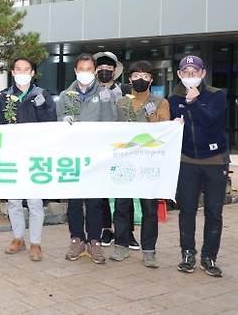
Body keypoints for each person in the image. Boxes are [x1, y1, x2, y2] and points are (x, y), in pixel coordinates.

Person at [169, 55, 229, 277]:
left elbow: (209, 120)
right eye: (186, 72)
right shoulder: (174, 98)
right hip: (187, 161)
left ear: (203, 73)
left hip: (215, 160)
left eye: (195, 72)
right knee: (187, 209)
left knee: (214, 211)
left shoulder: (216, 95)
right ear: (179, 75)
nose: (190, 76)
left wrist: (193, 103)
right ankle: (187, 254)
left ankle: (209, 256)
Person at [56, 53, 116, 264]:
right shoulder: (65, 95)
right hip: (72, 156)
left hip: (95, 156)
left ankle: (94, 241)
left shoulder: (105, 95)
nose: (85, 73)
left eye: (89, 69)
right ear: (75, 71)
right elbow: (57, 122)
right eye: (81, 69)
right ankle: (76, 239)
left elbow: (111, 125)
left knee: (95, 201)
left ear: (95, 71)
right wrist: (63, 120)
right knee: (73, 201)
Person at [0, 57, 56, 261]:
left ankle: (36, 243)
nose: (22, 72)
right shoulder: (4, 97)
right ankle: (18, 238)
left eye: (26, 69)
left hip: (35, 156)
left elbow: (51, 125)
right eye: (18, 69)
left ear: (32, 73)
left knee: (35, 201)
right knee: (14, 200)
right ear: (12, 72)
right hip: (12, 157)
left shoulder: (42, 95)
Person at [110, 61, 170, 268]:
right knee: (121, 206)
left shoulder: (160, 102)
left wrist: (152, 117)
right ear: (129, 79)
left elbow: (164, 132)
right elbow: (111, 131)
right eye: (136, 76)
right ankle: (121, 245)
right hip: (125, 162)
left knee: (149, 208)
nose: (140, 80)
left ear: (151, 79)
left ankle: (149, 251)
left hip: (148, 163)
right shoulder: (121, 103)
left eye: (145, 76)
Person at [93, 51, 137, 249]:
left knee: (123, 190)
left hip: (122, 148)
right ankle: (105, 230)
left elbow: (136, 114)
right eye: (100, 68)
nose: (105, 71)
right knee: (101, 190)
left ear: (114, 70)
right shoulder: (91, 91)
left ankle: (127, 232)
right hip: (99, 147)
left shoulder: (126, 89)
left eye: (108, 68)